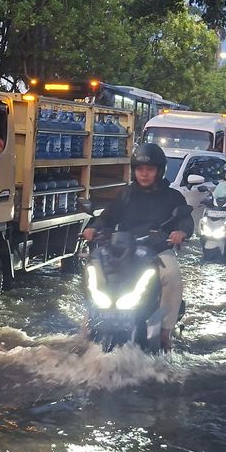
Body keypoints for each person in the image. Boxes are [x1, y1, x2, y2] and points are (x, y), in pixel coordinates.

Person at [82, 143, 193, 352]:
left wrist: (181, 233)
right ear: (134, 170)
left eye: (149, 169)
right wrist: (92, 229)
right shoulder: (125, 194)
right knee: (93, 271)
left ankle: (165, 331)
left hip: (157, 250)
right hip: (123, 250)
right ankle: (90, 321)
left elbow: (186, 220)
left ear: (159, 171)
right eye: (140, 169)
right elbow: (106, 217)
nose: (144, 174)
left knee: (172, 276)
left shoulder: (172, 197)